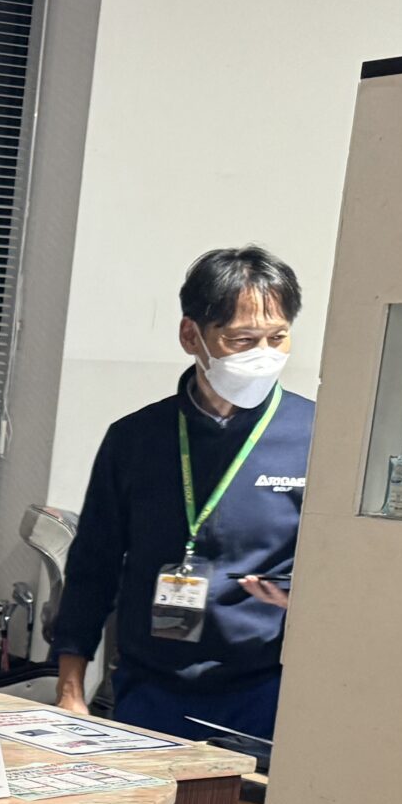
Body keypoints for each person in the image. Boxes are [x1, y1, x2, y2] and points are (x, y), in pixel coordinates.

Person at [50, 245, 312, 747]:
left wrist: (304, 595)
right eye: (242, 340)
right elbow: (92, 568)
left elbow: (353, 573)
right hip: (150, 689)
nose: (263, 355)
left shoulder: (317, 436)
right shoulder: (136, 438)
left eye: (278, 337)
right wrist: (70, 690)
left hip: (266, 693)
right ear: (192, 336)